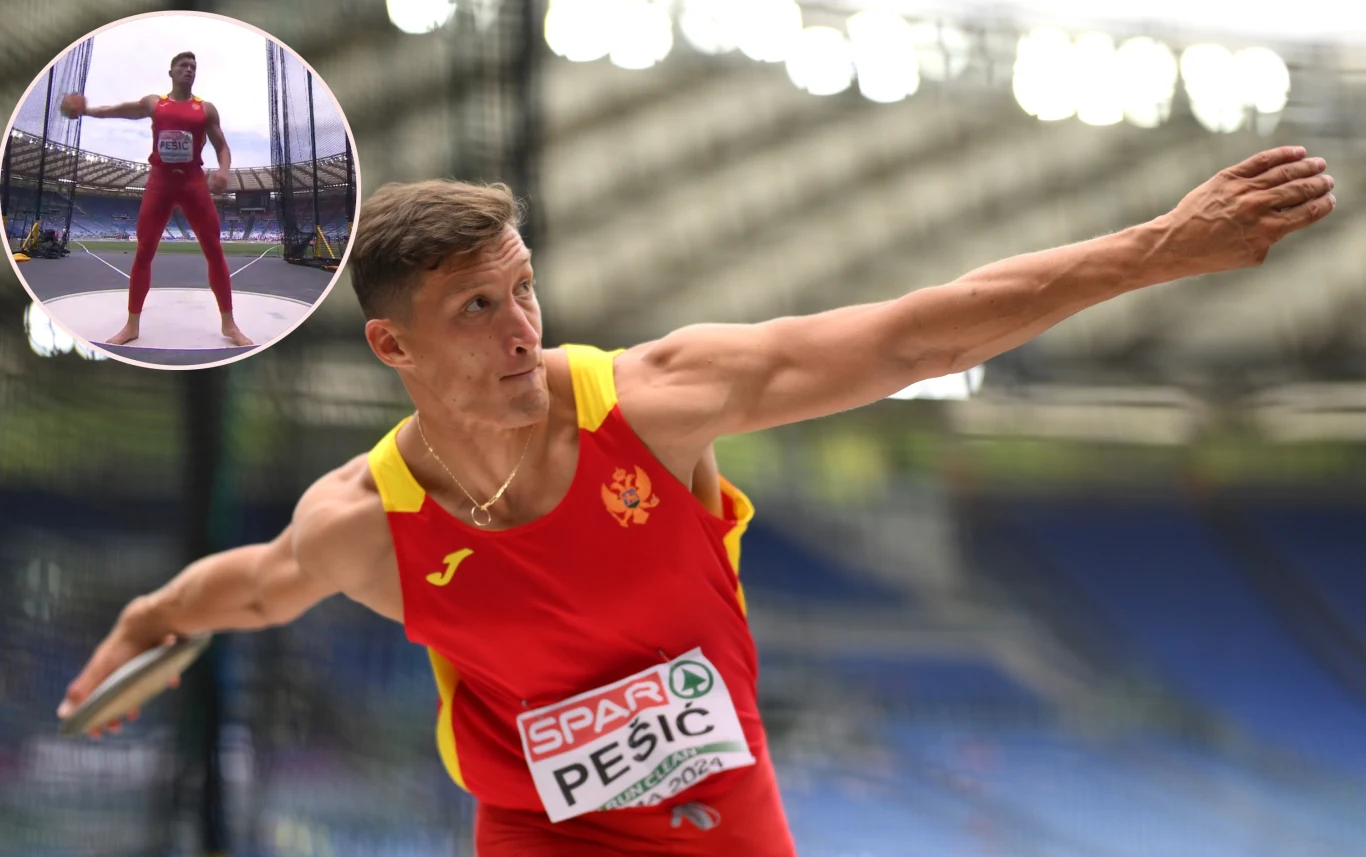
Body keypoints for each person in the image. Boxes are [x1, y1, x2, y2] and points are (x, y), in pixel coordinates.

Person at [58, 146, 1334, 855]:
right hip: (538, 832)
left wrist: (1159, 247)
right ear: (393, 346)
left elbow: (913, 335)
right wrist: (152, 621)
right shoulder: (362, 520)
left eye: (522, 287)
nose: (521, 327)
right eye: (476, 307)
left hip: (721, 810)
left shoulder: (654, 402)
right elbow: (254, 586)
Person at [61, 51, 252, 347]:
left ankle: (230, 325)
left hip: (193, 183)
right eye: (183, 66)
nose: (189, 70)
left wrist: (224, 171)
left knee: (214, 250)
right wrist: (88, 111)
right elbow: (120, 111)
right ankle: (131, 325)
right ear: (171, 72)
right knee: (144, 251)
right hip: (160, 183)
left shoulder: (206, 109)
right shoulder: (155, 103)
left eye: (193, 67)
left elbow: (222, 147)